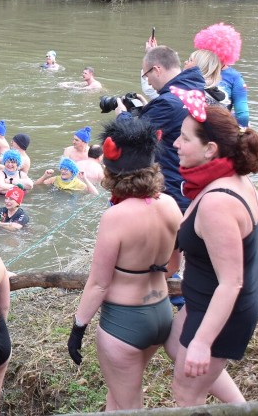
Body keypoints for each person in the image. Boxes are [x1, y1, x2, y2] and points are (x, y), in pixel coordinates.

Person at [165, 93, 258, 406]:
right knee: (175, 344)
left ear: (210, 149)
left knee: (185, 392)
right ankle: (242, 410)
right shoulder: (234, 177)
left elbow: (231, 282)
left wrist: (203, 343)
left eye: (184, 138)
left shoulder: (217, 202)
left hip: (224, 307)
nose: (175, 144)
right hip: (205, 299)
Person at [67, 118, 182, 410]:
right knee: (118, 397)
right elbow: (173, 264)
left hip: (124, 322)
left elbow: (99, 283)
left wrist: (78, 327)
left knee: (130, 405)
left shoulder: (115, 217)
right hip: (160, 313)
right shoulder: (169, 204)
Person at [117, 40, 206, 212]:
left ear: (157, 69)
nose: (148, 83)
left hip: (172, 186)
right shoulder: (192, 90)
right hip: (189, 180)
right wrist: (149, 109)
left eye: (146, 76)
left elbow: (131, 137)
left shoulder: (167, 103)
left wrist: (122, 114)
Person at [193, 23, 249, 127]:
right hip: (219, 129)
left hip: (193, 127)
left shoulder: (194, 70)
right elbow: (243, 116)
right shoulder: (236, 78)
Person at [34, 157, 98, 195]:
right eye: (62, 168)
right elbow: (36, 184)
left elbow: (95, 194)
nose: (63, 171)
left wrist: (85, 179)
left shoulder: (78, 183)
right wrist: (45, 176)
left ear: (72, 172)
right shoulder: (55, 179)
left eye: (66, 169)